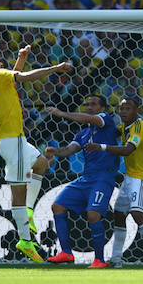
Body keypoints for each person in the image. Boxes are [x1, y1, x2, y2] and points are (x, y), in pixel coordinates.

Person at [0, 46, 72, 262]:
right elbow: (24, 77)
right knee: (18, 192)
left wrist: (21, 58)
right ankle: (25, 240)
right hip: (11, 142)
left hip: (15, 140)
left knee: (42, 164)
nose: (1, 62)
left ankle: (27, 209)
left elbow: (13, 79)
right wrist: (56, 67)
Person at [85, 97, 143, 268]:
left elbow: (128, 150)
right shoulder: (124, 127)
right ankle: (116, 259)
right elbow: (109, 130)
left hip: (142, 177)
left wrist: (102, 146)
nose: (124, 112)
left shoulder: (139, 126)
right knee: (119, 215)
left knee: (137, 213)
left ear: (137, 110)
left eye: (128, 108)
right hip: (130, 178)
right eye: (121, 109)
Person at [45, 95, 120, 268]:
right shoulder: (83, 133)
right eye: (86, 104)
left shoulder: (106, 120)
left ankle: (99, 260)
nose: (89, 107)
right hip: (86, 178)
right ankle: (66, 253)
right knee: (57, 206)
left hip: (103, 177)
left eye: (93, 104)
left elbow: (88, 118)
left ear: (102, 109)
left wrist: (62, 113)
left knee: (93, 214)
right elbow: (68, 150)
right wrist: (55, 151)